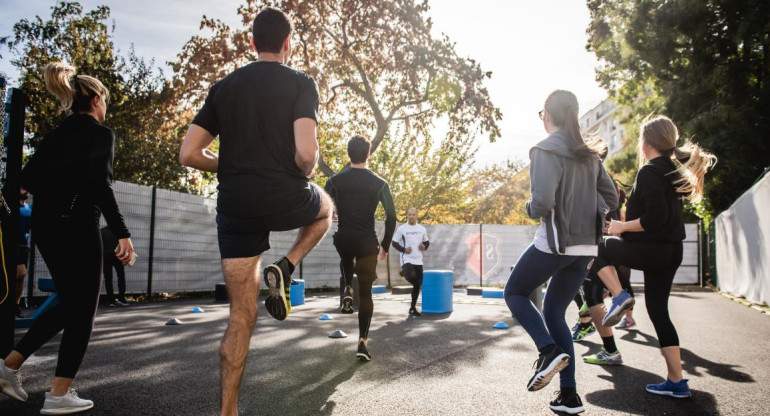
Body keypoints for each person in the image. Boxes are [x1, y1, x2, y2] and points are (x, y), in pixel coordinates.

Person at [179, 7, 332, 415]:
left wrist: (227, 164)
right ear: (287, 44)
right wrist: (304, 170)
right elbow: (305, 153)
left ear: (251, 43)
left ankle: (227, 410)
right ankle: (286, 265)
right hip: (285, 196)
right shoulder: (301, 83)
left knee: (240, 317)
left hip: (236, 208)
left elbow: (189, 154)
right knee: (325, 210)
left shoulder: (223, 87)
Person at [0, 62, 134, 414]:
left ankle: (9, 365)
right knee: (82, 311)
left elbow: (27, 178)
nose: (106, 107)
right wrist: (122, 233)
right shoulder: (100, 134)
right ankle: (58, 394)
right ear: (94, 99)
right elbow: (100, 186)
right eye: (105, 100)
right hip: (77, 227)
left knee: (69, 304)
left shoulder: (59, 134)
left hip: (48, 227)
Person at [503, 90, 618, 414]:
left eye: (542, 115)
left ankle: (547, 350)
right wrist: (587, 213)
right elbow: (612, 198)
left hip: (556, 243)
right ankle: (569, 395)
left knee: (514, 291)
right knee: (554, 312)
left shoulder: (543, 149)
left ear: (548, 116)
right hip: (586, 248)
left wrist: (528, 207)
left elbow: (541, 203)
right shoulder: (590, 155)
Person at [593, 115, 716, 398]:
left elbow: (655, 218)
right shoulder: (671, 170)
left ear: (646, 141)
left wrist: (623, 226)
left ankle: (619, 295)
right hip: (671, 251)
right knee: (659, 312)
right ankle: (676, 381)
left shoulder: (649, 171)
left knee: (598, 247)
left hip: (652, 249)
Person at [324, 135, 397, 361]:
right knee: (366, 293)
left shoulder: (335, 181)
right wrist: (385, 246)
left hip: (344, 238)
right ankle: (362, 343)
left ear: (348, 154)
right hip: (367, 243)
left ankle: (347, 287)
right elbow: (392, 217)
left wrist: (333, 214)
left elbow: (323, 206)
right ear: (368, 154)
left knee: (346, 254)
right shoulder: (380, 183)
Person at [391, 207, 429, 316]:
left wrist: (424, 246)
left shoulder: (422, 229)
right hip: (406, 259)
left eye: (413, 214)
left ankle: (412, 308)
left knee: (418, 284)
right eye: (409, 214)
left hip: (418, 260)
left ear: (417, 215)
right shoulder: (402, 229)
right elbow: (394, 243)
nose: (411, 216)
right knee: (413, 277)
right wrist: (404, 250)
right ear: (407, 216)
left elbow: (427, 242)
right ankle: (405, 271)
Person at [14, 190, 32, 318]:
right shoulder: (11, 207)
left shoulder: (29, 208)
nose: (25, 191)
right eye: (22, 188)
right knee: (19, 273)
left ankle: (15, 306)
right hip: (12, 246)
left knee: (21, 278)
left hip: (24, 246)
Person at [100, 226, 129, 306]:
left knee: (108, 279)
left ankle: (111, 300)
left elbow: (100, 245)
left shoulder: (102, 231)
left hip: (106, 257)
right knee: (121, 277)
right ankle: (121, 298)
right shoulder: (119, 230)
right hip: (118, 257)